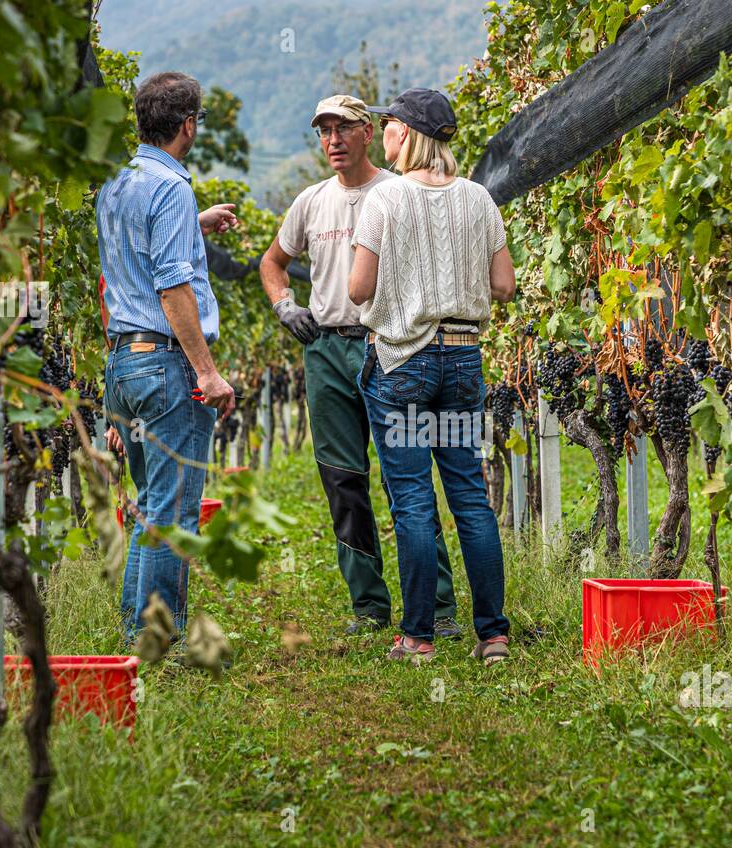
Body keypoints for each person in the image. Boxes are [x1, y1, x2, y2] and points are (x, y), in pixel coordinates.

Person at [259, 94, 461, 638]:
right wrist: (285, 306)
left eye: (343, 129)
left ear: (368, 131)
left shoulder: (400, 191)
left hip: (390, 347)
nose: (333, 141)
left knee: (407, 480)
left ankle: (437, 607)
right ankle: (368, 607)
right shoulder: (310, 202)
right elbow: (273, 262)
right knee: (343, 480)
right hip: (325, 348)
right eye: (324, 131)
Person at [348, 88, 516, 664]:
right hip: (463, 361)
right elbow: (503, 286)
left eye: (389, 125)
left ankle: (418, 637)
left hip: (403, 365)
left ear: (407, 134)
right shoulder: (479, 200)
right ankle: (492, 634)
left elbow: (358, 289)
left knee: (414, 500)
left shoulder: (385, 201)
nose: (385, 133)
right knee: (470, 495)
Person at [96, 71, 239, 642]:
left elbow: (130, 257)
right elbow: (173, 288)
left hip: (124, 363)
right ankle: (155, 638)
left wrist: (193, 225)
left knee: (151, 506)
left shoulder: (116, 180)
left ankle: (140, 634)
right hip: (164, 366)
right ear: (187, 126)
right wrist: (207, 372)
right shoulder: (172, 188)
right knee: (171, 513)